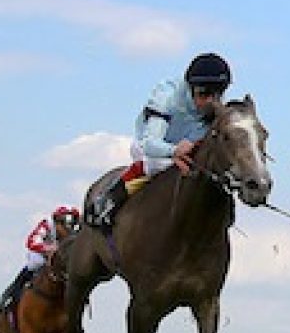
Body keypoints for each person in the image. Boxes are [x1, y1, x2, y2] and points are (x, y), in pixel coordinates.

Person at [87, 52, 232, 228]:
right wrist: (173, 151)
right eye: (203, 94)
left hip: (188, 148)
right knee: (158, 165)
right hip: (151, 146)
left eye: (217, 94)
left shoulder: (214, 107)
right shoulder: (167, 96)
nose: (210, 102)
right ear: (190, 88)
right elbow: (149, 144)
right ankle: (108, 201)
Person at [0, 204, 81, 320]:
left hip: (61, 261)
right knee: (34, 264)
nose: (68, 229)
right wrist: (49, 249)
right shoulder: (46, 225)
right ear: (56, 221)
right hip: (41, 255)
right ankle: (11, 294)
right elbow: (31, 242)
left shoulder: (76, 231)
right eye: (64, 223)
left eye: (72, 224)